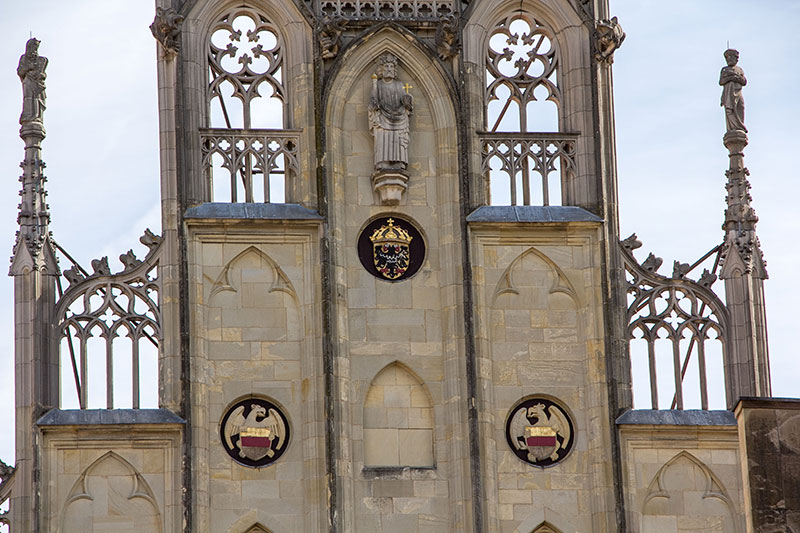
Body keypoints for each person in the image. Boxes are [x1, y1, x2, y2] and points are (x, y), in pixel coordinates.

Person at [368, 52, 413, 172]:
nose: (389, 69)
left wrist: (407, 101)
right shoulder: (378, 85)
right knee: (382, 137)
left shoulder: (399, 85)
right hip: (383, 117)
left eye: (391, 66)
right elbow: (372, 102)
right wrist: (374, 105)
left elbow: (406, 102)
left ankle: (399, 161)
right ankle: (382, 161)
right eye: (386, 66)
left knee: (398, 138)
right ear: (381, 69)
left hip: (399, 117)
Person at [17, 37, 48, 125]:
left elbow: (43, 74)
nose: (35, 49)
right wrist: (29, 67)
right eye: (34, 46)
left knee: (37, 100)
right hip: (28, 81)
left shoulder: (41, 60)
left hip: (38, 83)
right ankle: (28, 116)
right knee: (29, 98)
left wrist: (42, 75)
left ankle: (37, 117)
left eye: (36, 47)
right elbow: (20, 72)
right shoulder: (24, 58)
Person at [719, 48, 747, 134]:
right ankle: (732, 128)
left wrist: (737, 78)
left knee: (740, 107)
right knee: (730, 110)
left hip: (738, 92)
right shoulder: (725, 69)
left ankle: (740, 127)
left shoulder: (740, 69)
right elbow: (721, 82)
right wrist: (731, 77)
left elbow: (744, 82)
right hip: (729, 94)